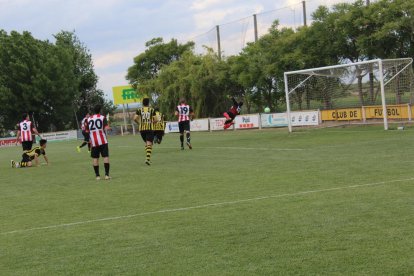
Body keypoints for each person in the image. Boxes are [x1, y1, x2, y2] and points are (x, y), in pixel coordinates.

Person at [87, 105, 111, 180]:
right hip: (103, 141)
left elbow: (87, 131)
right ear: (100, 110)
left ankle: (97, 176)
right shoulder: (102, 117)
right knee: (105, 157)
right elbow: (106, 128)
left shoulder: (88, 119)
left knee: (95, 159)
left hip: (94, 142)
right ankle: (107, 175)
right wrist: (109, 127)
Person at [134, 98, 157, 165]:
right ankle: (147, 159)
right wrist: (152, 122)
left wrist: (139, 123)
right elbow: (156, 120)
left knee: (147, 144)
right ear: (148, 103)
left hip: (142, 129)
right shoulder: (152, 110)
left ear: (142, 103)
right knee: (149, 143)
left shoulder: (139, 110)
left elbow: (135, 118)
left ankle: (148, 157)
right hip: (149, 129)